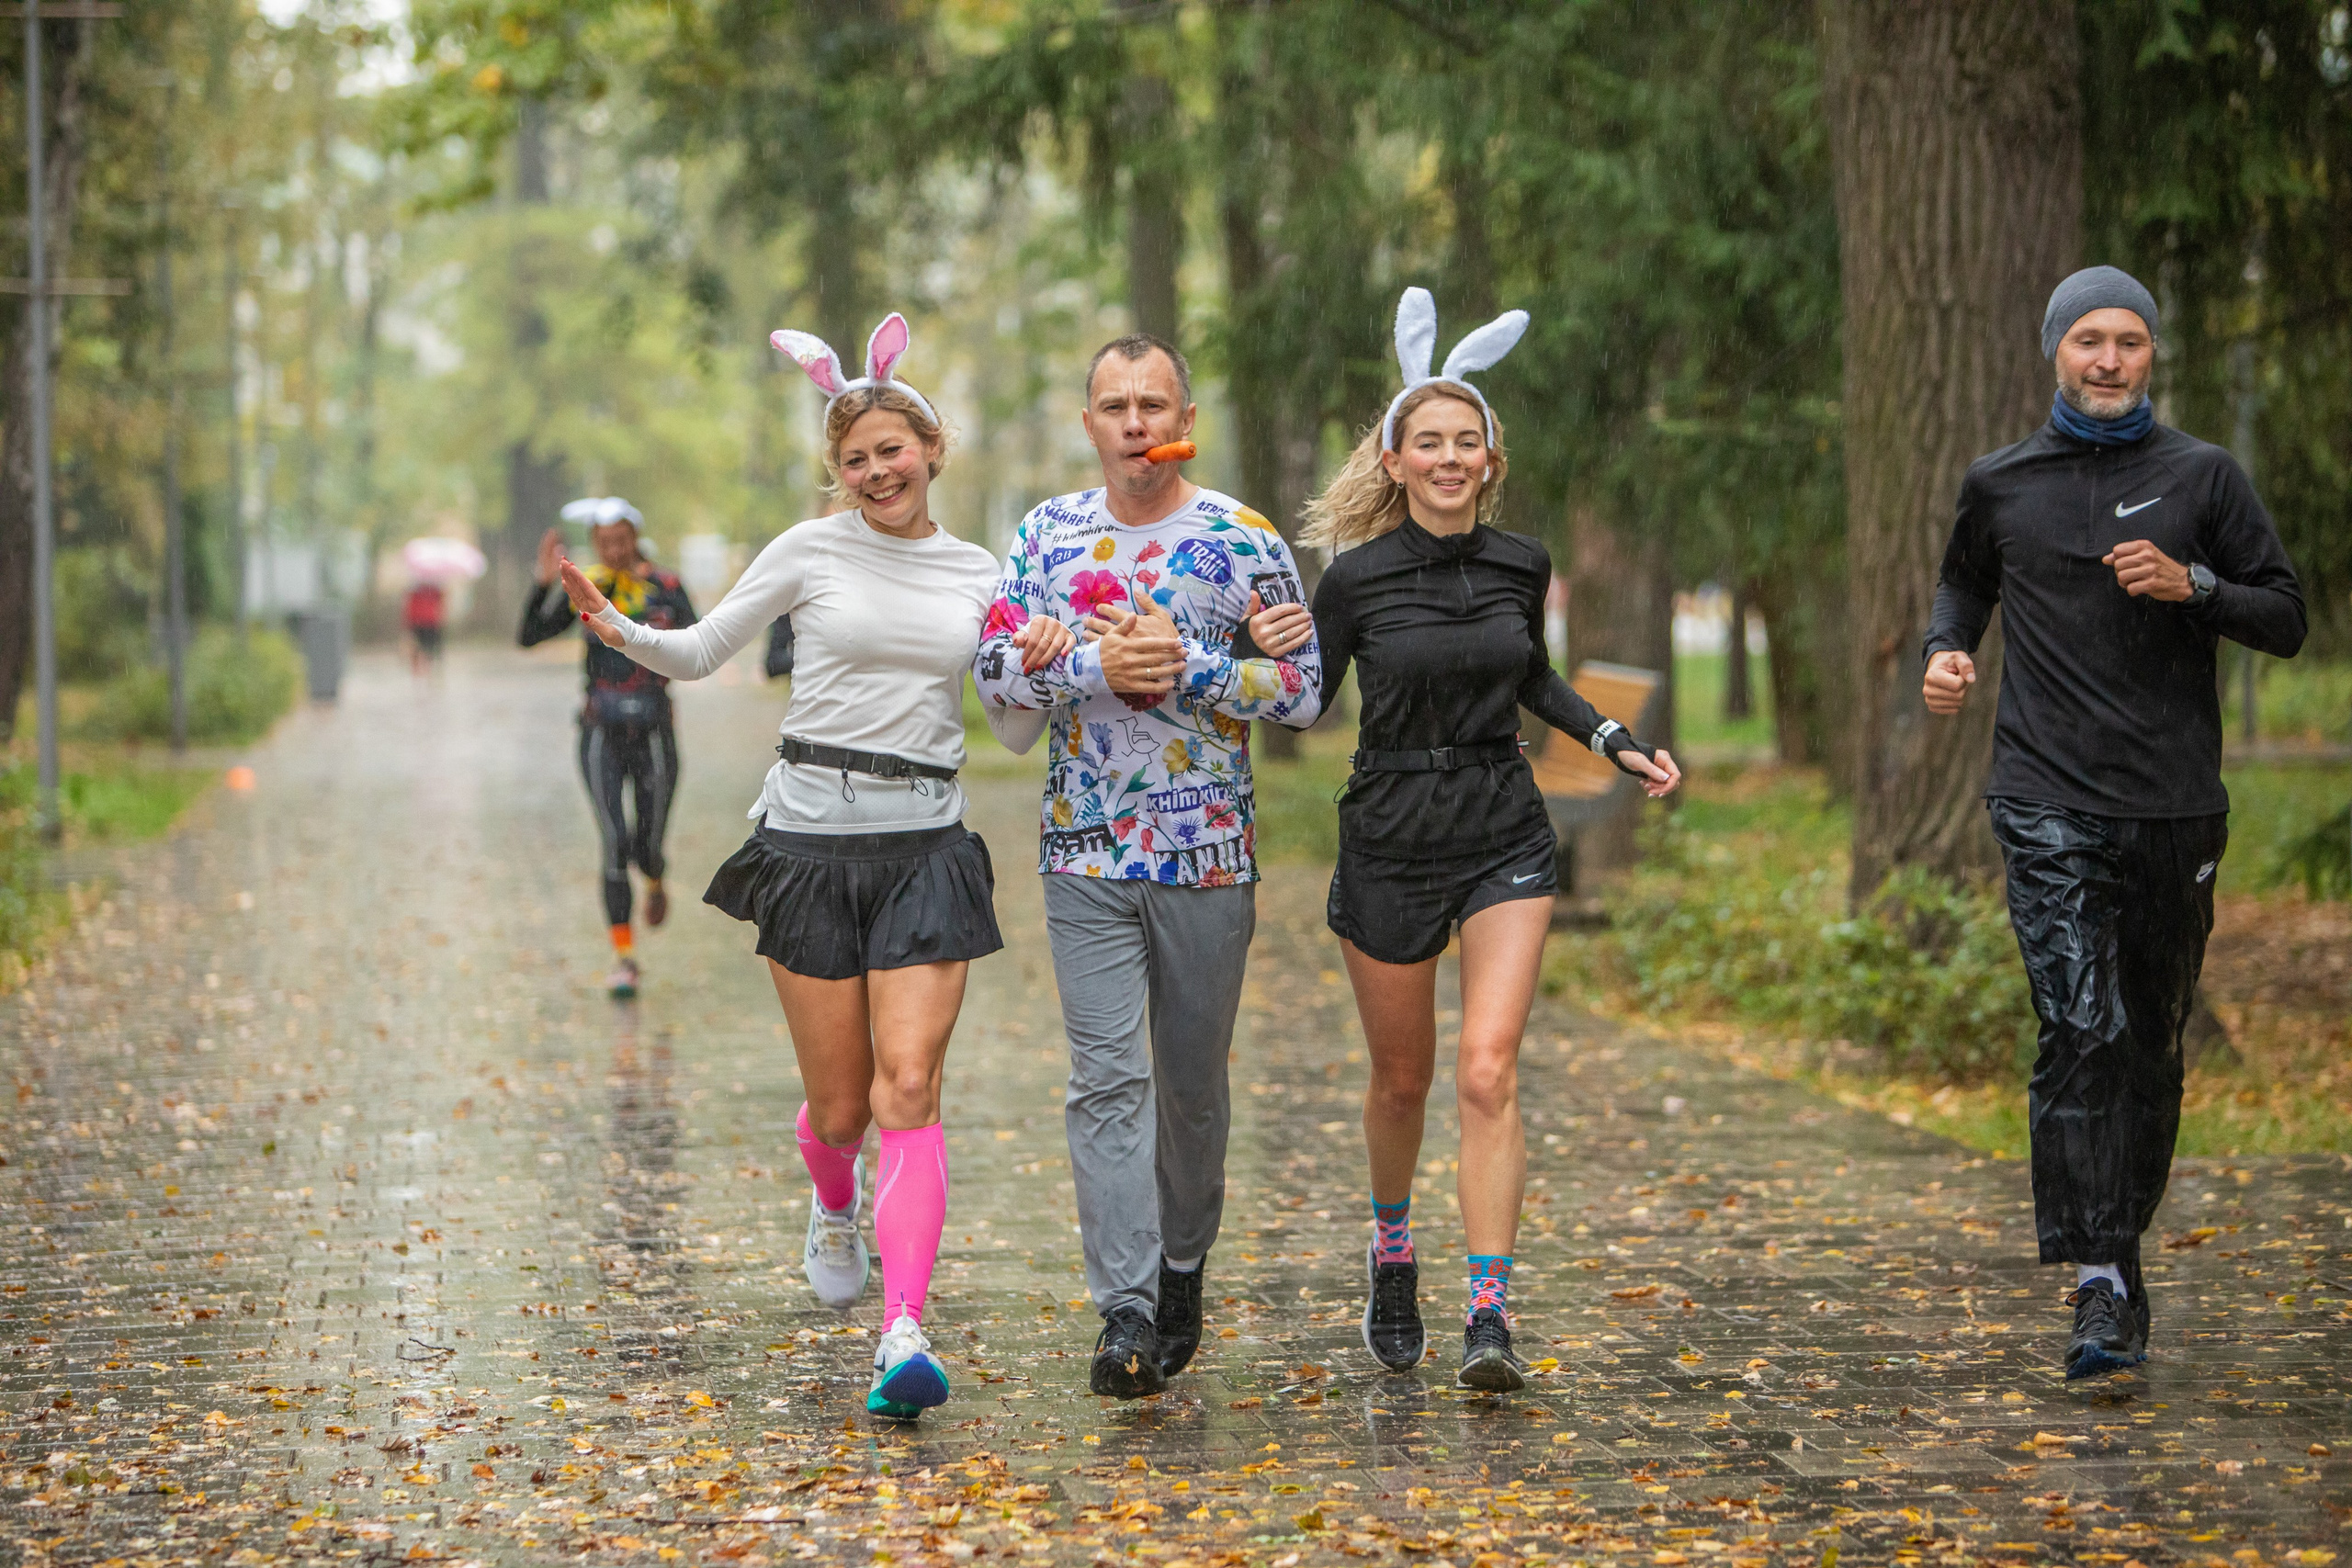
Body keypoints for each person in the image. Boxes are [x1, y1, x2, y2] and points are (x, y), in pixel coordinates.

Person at [557, 314, 1074, 1419]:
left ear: (931, 451)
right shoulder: (809, 547)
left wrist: (1035, 669)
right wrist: (616, 629)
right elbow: (700, 653)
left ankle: (903, 1331)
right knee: (841, 1113)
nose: (876, 470)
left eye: (893, 449)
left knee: (910, 1088)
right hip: (807, 840)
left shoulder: (983, 570)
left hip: (926, 845)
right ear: (836, 474)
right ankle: (831, 1200)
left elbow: (1017, 735)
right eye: (854, 458)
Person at [1922, 265, 2304, 1380]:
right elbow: (1962, 588)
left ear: (2151, 355)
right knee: (2080, 1025)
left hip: (2174, 805)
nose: (2106, 359)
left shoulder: (2204, 477)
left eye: (2126, 341)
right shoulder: (2001, 484)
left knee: (2146, 1042)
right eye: (2086, 338)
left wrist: (2196, 588)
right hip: (2043, 798)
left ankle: (2119, 1255)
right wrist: (1950, 653)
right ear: (2054, 351)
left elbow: (2284, 615)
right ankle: (2094, 1281)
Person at [1300, 288, 1680, 1392]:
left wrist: (1611, 738)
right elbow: (1308, 704)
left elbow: (1530, 676)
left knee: (1486, 1070)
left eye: (1468, 441)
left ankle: (1488, 1313)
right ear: (1397, 457)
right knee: (1401, 1081)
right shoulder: (1357, 579)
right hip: (1388, 830)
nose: (1450, 458)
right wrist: (1257, 655)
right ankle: (1389, 1249)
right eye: (1431, 442)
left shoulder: (1521, 561)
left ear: (1489, 456)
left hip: (1499, 827)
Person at [972, 333, 1321, 1399]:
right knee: (1106, 1082)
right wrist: (1087, 663)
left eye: (1153, 403)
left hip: (1210, 855)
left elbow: (1307, 694)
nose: (1135, 422)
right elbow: (990, 671)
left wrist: (1199, 665)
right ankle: (1124, 1310)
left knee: (1191, 1089)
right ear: (1090, 425)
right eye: (1114, 405)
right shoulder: (1045, 537)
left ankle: (1180, 1268)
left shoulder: (1243, 537)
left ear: (1184, 420)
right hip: (1083, 853)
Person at [520, 498, 698, 998]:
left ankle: (658, 876)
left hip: (654, 732)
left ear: (635, 538)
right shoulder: (587, 588)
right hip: (600, 731)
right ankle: (624, 958)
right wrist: (540, 582)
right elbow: (529, 636)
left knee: (647, 847)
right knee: (614, 843)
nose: (615, 549)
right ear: (596, 544)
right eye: (604, 542)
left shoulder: (665, 587)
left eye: (622, 539)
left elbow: (700, 644)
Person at [403, 581, 447, 676]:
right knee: (424, 648)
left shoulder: (432, 588)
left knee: (425, 648)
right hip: (425, 621)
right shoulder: (418, 588)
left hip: (426, 621)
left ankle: (421, 671)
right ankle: (423, 671)